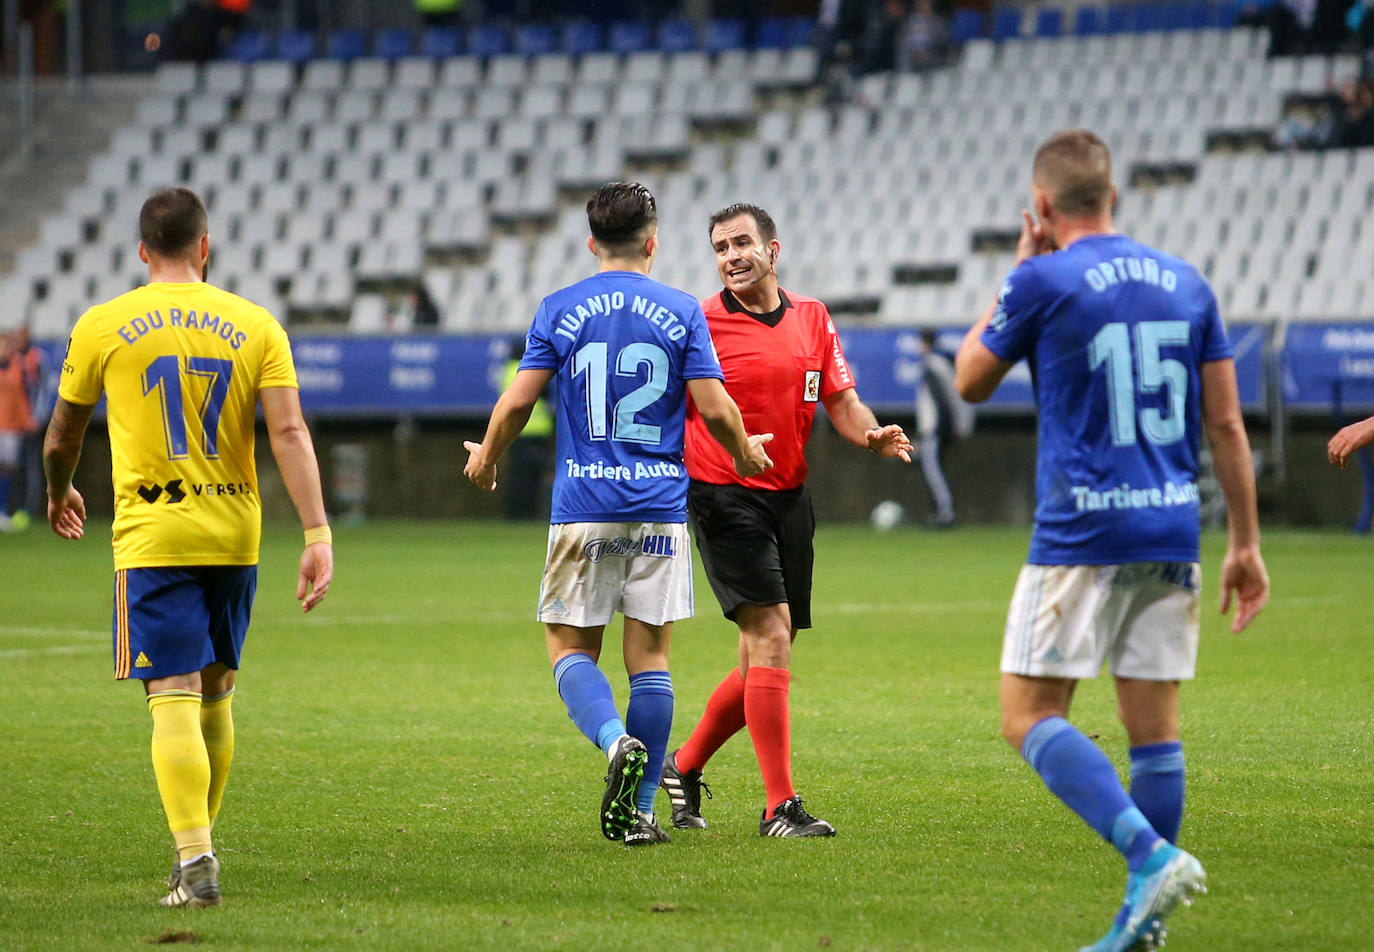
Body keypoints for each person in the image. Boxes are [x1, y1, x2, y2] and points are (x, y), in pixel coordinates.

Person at [952, 130, 1269, 951]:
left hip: (1081, 532)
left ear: (1046, 207)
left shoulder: (1043, 276)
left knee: (1027, 716)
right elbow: (1226, 423)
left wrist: (1016, 270)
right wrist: (1245, 542)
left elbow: (969, 380)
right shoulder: (1186, 282)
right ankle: (1146, 922)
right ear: (1114, 195)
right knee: (1154, 735)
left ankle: (1149, 854)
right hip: (1172, 524)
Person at [44, 187, 334, 907]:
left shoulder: (103, 325)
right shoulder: (255, 323)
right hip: (235, 533)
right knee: (216, 693)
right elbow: (289, 433)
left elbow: (64, 436)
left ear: (143, 250)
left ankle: (197, 859)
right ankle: (195, 849)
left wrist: (59, 489)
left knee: (169, 692)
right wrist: (319, 530)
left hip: (154, 533)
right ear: (205, 245)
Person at [462, 182, 773, 848]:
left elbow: (519, 403)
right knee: (651, 656)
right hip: (660, 509)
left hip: (585, 507)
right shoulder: (683, 309)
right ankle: (640, 813)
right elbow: (715, 408)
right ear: (653, 242)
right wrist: (745, 453)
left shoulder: (560, 308)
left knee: (569, 648)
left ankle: (613, 741)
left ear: (590, 242)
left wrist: (488, 456)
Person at [661, 203, 913, 838]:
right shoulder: (700, 322)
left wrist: (871, 436)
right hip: (723, 492)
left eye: (742, 242)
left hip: (789, 495)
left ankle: (683, 767)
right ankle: (780, 807)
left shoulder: (813, 317)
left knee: (762, 660)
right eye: (720, 247)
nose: (731, 256)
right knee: (770, 636)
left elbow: (841, 399)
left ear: (773, 252)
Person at [913, 328, 972, 528]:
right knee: (935, 469)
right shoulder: (943, 364)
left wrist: (940, 426)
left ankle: (945, 513)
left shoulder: (932, 365)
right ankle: (940, 511)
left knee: (933, 471)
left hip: (935, 429)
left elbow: (940, 400)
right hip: (941, 427)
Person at [0, 327, 40, 531]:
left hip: (11, 426)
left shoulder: (19, 367)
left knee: (7, 469)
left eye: (8, 345)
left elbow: (25, 396)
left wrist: (28, 419)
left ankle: (3, 511)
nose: (6, 349)